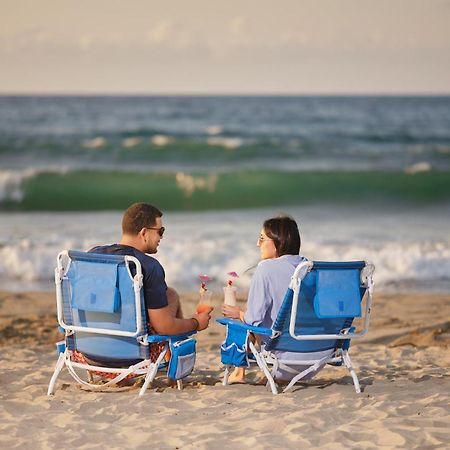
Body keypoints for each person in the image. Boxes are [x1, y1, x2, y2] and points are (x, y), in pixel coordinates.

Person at [221, 215, 333, 384]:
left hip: (284, 361)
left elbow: (254, 320)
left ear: (278, 242)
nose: (257, 244)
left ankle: (238, 372)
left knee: (241, 323)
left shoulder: (265, 269)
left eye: (261, 239)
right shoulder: (310, 268)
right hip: (318, 357)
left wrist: (238, 313)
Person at [90, 202, 213, 351]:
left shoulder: (93, 255)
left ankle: (171, 353)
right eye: (160, 231)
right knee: (167, 313)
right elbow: (165, 327)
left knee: (170, 294)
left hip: (88, 353)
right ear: (144, 233)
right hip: (128, 357)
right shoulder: (148, 267)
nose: (161, 237)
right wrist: (196, 322)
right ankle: (174, 353)